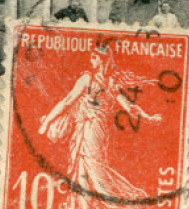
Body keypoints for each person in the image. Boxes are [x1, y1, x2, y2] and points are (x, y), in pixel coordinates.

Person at [38, 43, 162, 208]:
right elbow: (67, 101)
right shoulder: (92, 79)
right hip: (86, 130)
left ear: (103, 60)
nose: (91, 60)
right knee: (82, 168)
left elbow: (129, 106)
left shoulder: (104, 82)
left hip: (95, 131)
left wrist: (149, 117)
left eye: (94, 57)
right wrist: (47, 122)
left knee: (96, 171)